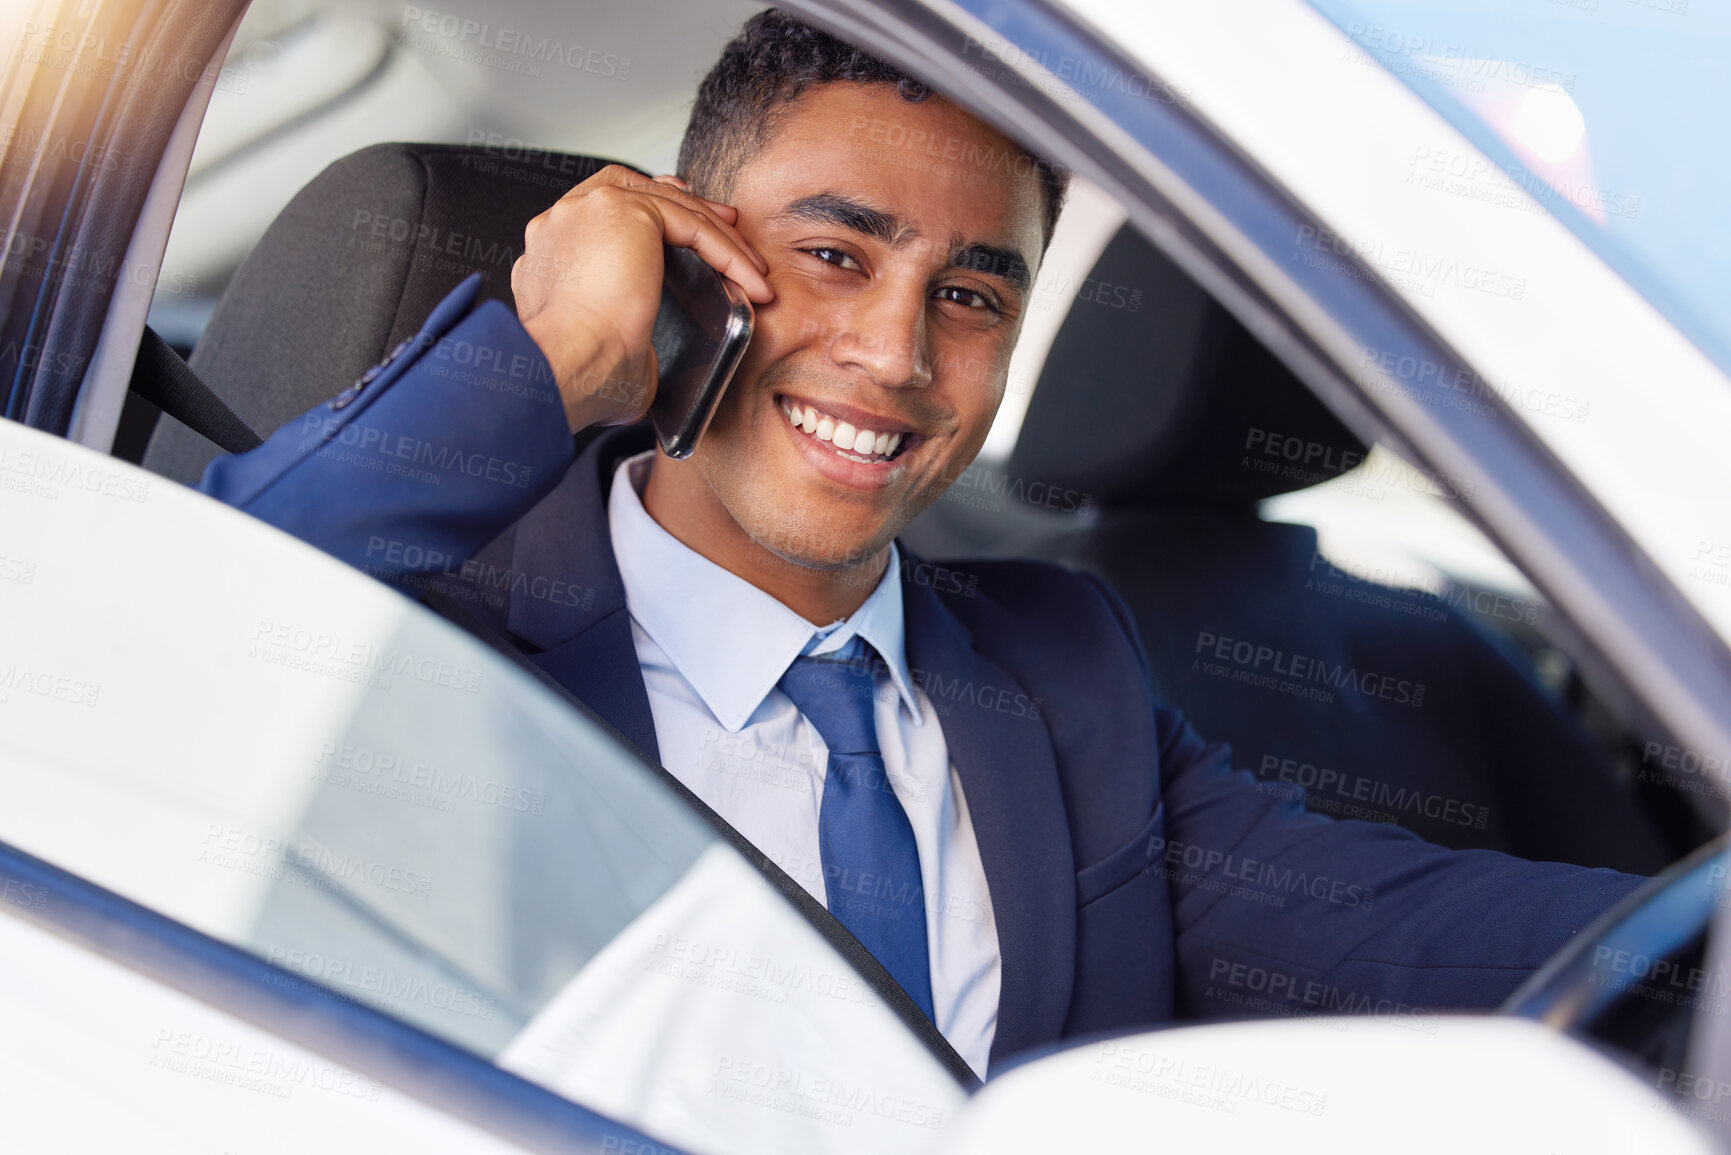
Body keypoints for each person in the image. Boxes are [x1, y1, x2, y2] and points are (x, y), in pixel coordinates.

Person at [200, 9, 1643, 1079]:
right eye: (833, 257)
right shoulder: (437, 639)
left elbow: (1411, 928)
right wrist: (564, 349)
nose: (895, 355)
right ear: (692, 257)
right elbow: (166, 652)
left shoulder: (1062, 669)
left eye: (970, 295)